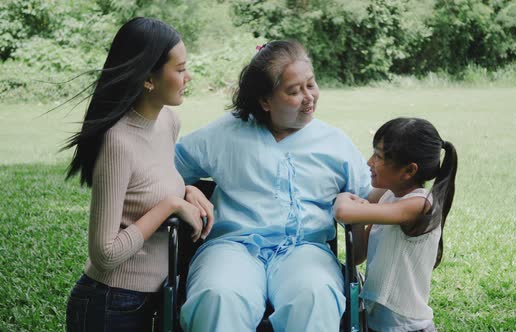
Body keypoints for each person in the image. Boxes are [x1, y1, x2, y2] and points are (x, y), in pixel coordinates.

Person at [174, 40, 373, 331]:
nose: (309, 97)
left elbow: (368, 195)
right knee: (217, 295)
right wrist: (186, 190)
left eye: (311, 84)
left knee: (315, 295)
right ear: (265, 101)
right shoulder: (226, 133)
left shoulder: (334, 143)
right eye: (294, 91)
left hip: (306, 250)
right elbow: (165, 168)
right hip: (233, 245)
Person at [63, 17, 212, 331]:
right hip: (111, 304)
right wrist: (171, 205)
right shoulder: (118, 142)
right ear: (148, 79)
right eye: (180, 69)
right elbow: (105, 253)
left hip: (154, 298)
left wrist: (187, 190)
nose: (188, 77)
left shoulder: (168, 121)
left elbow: (151, 181)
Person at [333, 117, 458, 332]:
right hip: (376, 324)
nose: (369, 162)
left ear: (409, 171)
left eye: (378, 156)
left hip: (408, 327)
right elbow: (359, 254)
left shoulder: (420, 204)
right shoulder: (388, 196)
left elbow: (344, 210)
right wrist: (358, 215)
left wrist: (347, 200)